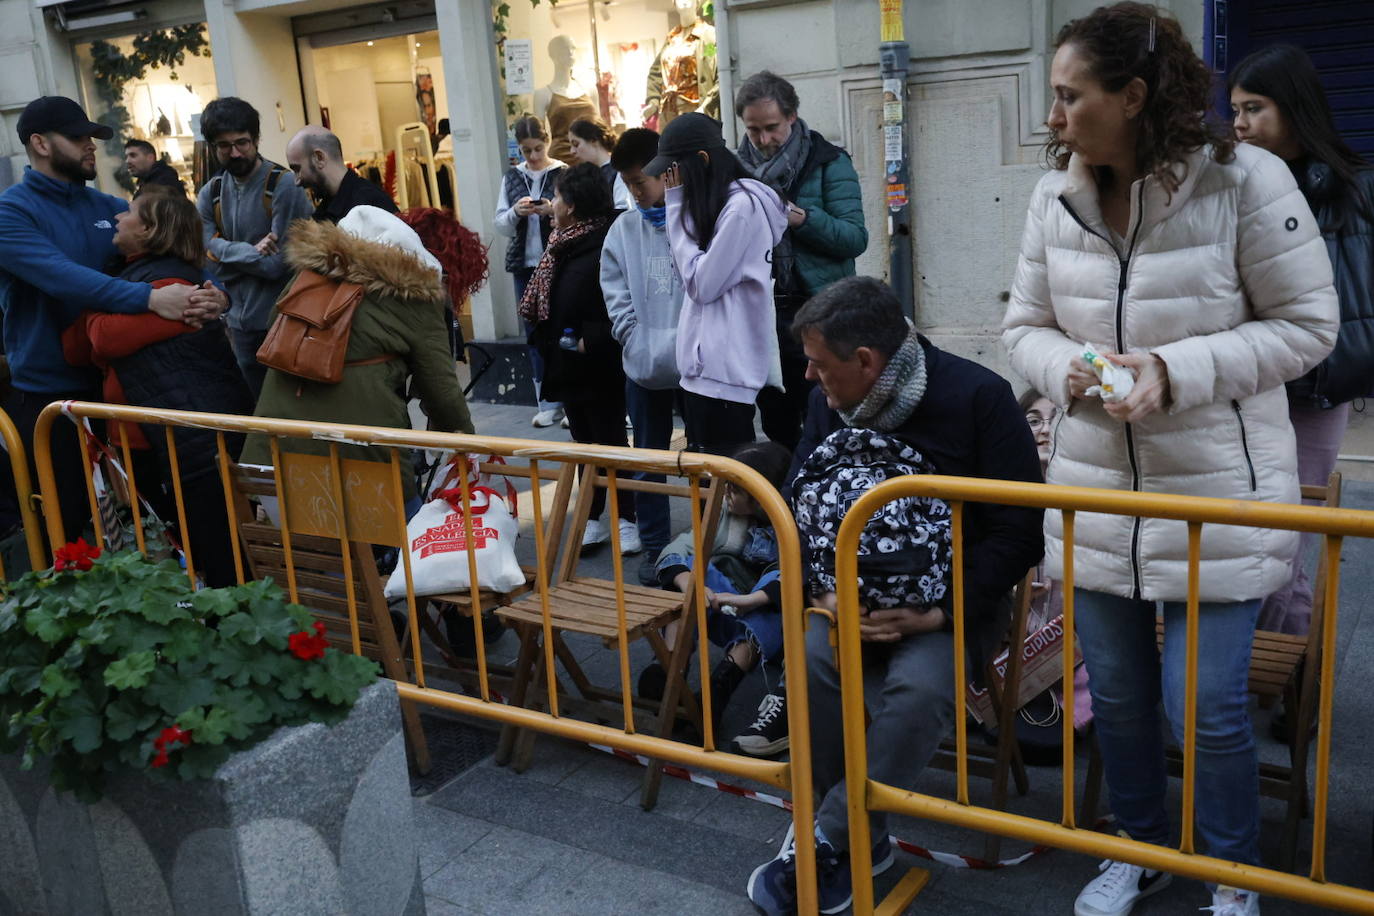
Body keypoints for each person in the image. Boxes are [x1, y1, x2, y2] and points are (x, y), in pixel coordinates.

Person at [1002, 6, 1338, 916]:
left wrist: (1173, 370)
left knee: (1207, 708)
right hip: (1094, 494)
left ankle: (1234, 871)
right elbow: (1021, 327)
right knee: (1115, 695)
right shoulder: (1053, 195)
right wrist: (1061, 369)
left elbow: (1310, 327)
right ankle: (1140, 847)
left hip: (1219, 494)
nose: (1055, 114)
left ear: (1135, 96)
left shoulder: (1247, 180)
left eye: (1071, 95)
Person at [746, 276, 1043, 914]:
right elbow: (799, 499)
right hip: (840, 596)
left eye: (819, 364)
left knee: (917, 692)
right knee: (816, 668)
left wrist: (940, 611)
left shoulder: (978, 398)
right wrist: (823, 598)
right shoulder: (836, 396)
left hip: (950, 604)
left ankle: (828, 834)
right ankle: (862, 839)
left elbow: (1019, 532)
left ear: (866, 363)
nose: (808, 377)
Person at [0, 96, 223, 544]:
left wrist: (215, 295)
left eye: (92, 137)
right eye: (78, 137)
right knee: (67, 526)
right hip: (50, 397)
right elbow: (66, 280)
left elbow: (175, 257)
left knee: (150, 520)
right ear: (40, 143)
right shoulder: (11, 212)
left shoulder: (107, 207)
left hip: (124, 388)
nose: (91, 146)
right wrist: (150, 299)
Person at [1229, 44, 1374, 638]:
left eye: (1254, 109)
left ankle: (1283, 669)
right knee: (1239, 531)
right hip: (1245, 382)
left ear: (1294, 107)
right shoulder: (1232, 186)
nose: (1239, 124)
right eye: (1234, 110)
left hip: (1318, 386)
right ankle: (1256, 667)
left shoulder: (1353, 189)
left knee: (1291, 533)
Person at [61, 186, 252, 587]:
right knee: (189, 548)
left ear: (149, 229)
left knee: (216, 555)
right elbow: (78, 345)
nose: (117, 218)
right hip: (154, 444)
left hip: (188, 443)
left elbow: (102, 339)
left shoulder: (169, 280)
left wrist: (97, 308)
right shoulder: (133, 276)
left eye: (128, 212)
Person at [240, 205, 473, 500]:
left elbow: (273, 326)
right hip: (363, 469)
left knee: (292, 543)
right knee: (404, 536)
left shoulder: (306, 278)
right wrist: (475, 449)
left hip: (271, 456)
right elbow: (443, 392)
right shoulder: (416, 297)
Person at [735, 71, 868, 451]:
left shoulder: (829, 161)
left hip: (818, 314)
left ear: (792, 116)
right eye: (753, 129)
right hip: (759, 316)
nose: (763, 140)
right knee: (775, 423)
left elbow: (854, 238)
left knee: (822, 422)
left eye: (772, 127)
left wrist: (802, 218)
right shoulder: (734, 169)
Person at [645, 112, 787, 455]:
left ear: (703, 161)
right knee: (707, 490)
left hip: (725, 376)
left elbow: (702, 285)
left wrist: (676, 206)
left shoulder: (742, 208)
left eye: (674, 172)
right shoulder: (719, 204)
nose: (669, 183)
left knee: (725, 489)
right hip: (703, 373)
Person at [519, 162, 636, 551]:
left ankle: (627, 518)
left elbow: (615, 301)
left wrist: (589, 342)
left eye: (556, 196)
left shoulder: (603, 240)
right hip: (567, 361)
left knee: (610, 443)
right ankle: (592, 515)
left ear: (571, 205)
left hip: (597, 363)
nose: (551, 204)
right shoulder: (563, 242)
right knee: (585, 444)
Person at [638, 440, 792, 726]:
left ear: (761, 495)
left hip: (767, 614)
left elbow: (790, 573)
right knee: (691, 567)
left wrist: (751, 600)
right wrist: (689, 583)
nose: (727, 493)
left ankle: (718, 689)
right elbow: (682, 546)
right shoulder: (724, 512)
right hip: (718, 601)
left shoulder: (791, 522)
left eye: (735, 488)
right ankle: (671, 666)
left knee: (769, 615)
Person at [601, 127, 687, 585]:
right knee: (649, 460)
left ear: (667, 171)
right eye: (628, 184)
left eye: (641, 181)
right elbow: (614, 291)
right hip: (643, 364)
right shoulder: (623, 229)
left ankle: (706, 547)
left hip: (698, 363)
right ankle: (655, 548)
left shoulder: (697, 218)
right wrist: (633, 337)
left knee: (706, 459)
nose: (635, 193)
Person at [196, 96, 313, 398]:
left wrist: (220, 248)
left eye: (242, 143)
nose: (235, 153)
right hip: (237, 324)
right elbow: (206, 261)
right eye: (224, 146)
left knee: (292, 411)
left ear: (257, 139)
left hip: (284, 320)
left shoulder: (283, 185)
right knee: (257, 412)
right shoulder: (212, 193)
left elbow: (278, 265)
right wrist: (251, 252)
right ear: (213, 147)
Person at [494, 116, 567, 428]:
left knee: (562, 329)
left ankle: (568, 399)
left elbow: (578, 212)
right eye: (527, 151)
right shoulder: (512, 177)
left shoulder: (562, 172)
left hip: (559, 261)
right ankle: (547, 402)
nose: (534, 156)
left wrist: (554, 211)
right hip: (525, 266)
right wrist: (515, 212)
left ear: (547, 140)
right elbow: (499, 224)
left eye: (538, 148)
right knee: (535, 334)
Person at [285, 125, 398, 223]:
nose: (297, 181)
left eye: (297, 169)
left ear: (319, 158)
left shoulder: (373, 205)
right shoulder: (324, 212)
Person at [567, 117, 635, 210]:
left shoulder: (619, 171)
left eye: (576, 144)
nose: (572, 151)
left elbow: (623, 209)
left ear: (593, 140)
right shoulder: (587, 174)